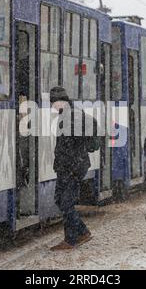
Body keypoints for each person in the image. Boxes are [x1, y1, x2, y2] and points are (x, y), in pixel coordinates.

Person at [50, 87, 98, 251]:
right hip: (67, 167)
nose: (53, 107)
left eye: (54, 103)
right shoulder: (69, 115)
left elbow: (74, 146)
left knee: (66, 202)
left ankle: (71, 240)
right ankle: (82, 232)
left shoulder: (72, 117)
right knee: (60, 200)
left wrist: (72, 166)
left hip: (71, 168)